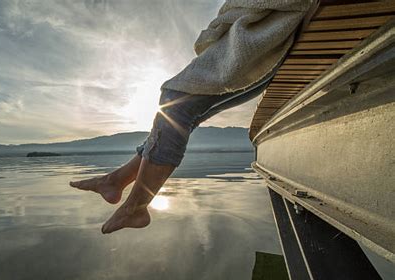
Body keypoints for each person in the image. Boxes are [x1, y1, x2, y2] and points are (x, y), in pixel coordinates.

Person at [70, 0, 316, 234]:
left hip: (273, 26)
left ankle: (135, 207)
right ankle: (115, 181)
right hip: (273, 25)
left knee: (175, 100)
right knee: (182, 110)